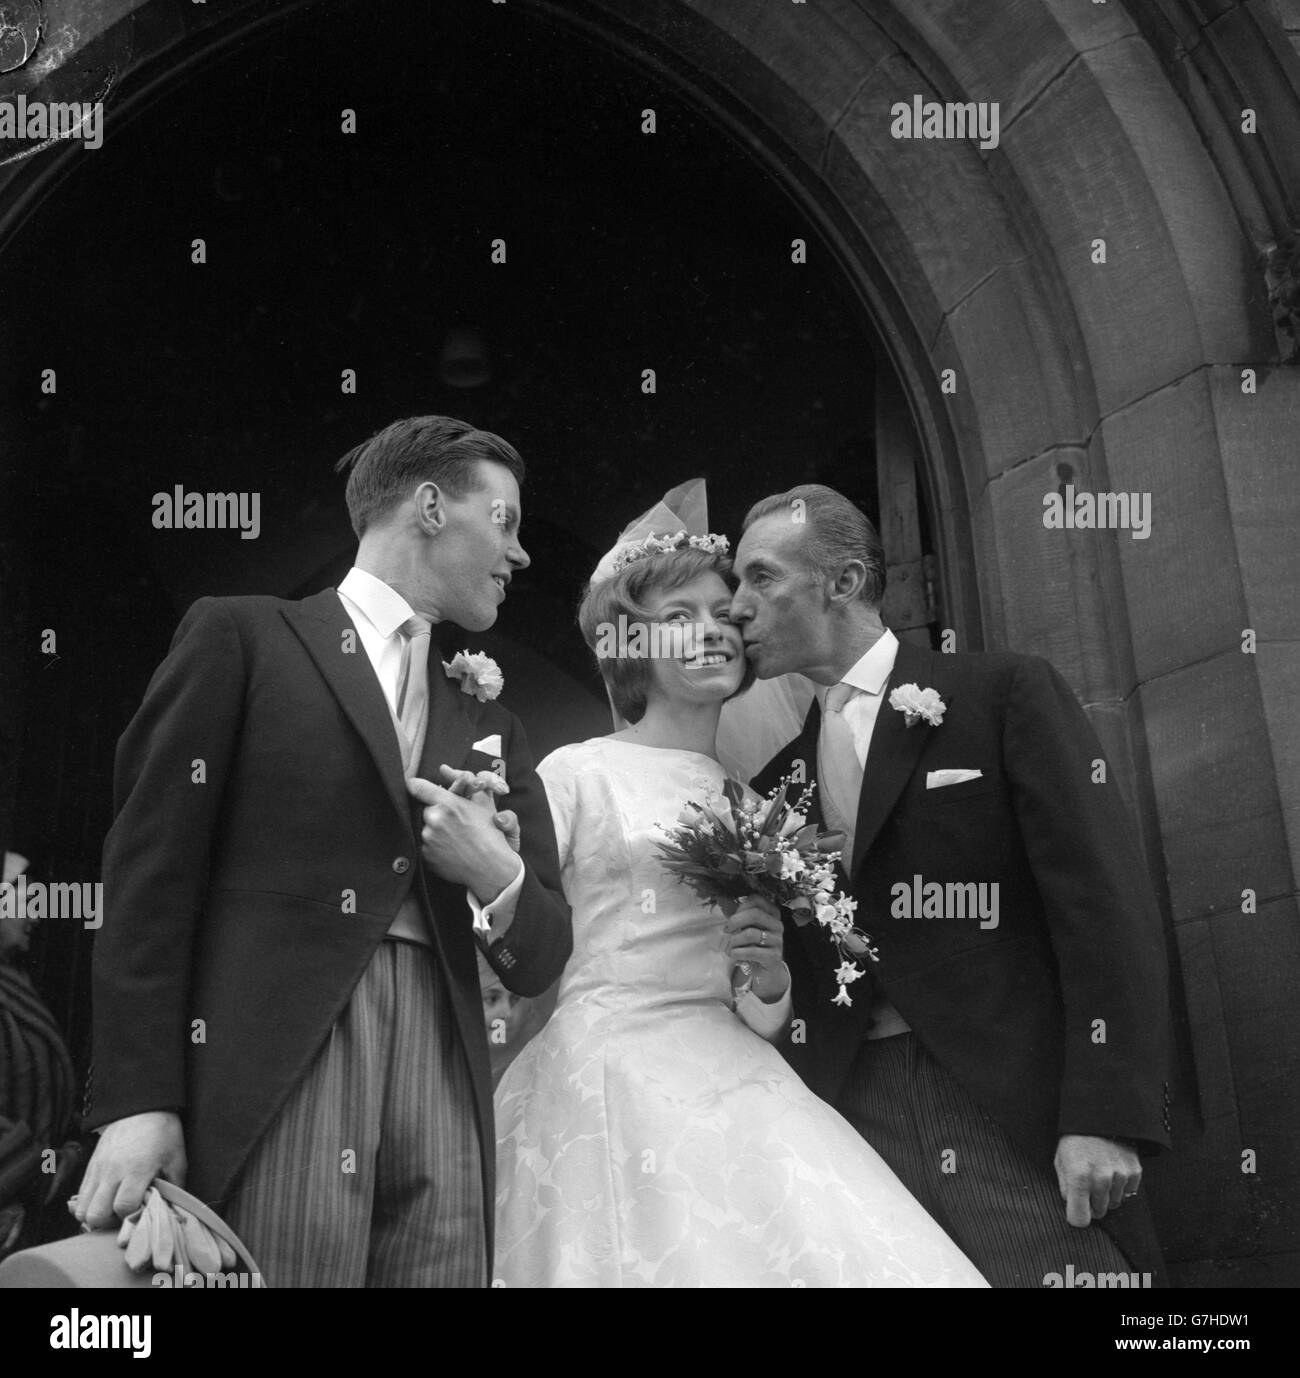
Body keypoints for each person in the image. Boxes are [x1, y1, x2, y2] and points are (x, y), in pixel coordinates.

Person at [76, 415, 571, 1286]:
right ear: (427, 507)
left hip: (445, 1062)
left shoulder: (493, 716)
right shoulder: (244, 636)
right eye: (505, 522)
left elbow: (544, 954)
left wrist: (494, 873)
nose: (521, 554)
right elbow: (148, 879)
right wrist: (139, 1100)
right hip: (283, 1054)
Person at [492, 509, 988, 1286]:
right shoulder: (576, 773)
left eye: (724, 615)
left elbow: (774, 998)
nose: (711, 631)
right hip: (607, 1073)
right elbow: (521, 938)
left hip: (739, 1071)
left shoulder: (765, 806)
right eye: (679, 617)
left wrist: (771, 985)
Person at [729, 483, 1172, 1288]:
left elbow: (1102, 908)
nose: (736, 607)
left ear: (845, 581)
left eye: (759, 578)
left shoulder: (1000, 696)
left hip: (1013, 1104)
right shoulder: (774, 787)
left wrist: (1108, 1115)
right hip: (854, 1120)